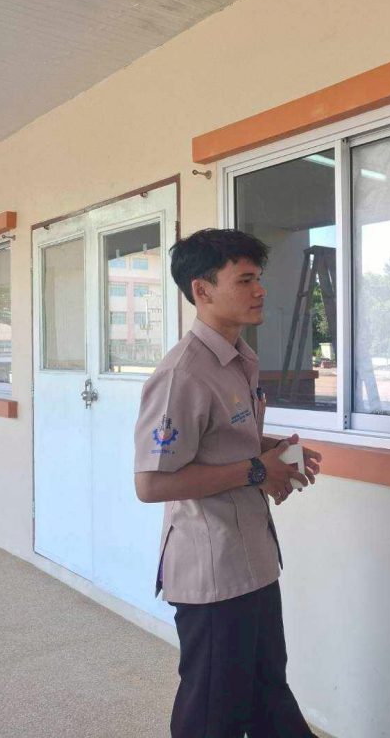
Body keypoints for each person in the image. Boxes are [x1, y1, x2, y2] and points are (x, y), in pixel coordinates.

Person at [133, 228, 321, 738]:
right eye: (244, 280)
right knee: (212, 712)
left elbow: (225, 441)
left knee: (268, 693)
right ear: (203, 290)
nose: (260, 290)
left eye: (259, 278)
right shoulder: (183, 374)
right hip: (213, 570)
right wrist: (258, 470)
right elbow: (151, 483)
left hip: (253, 558)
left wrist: (274, 451)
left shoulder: (242, 359)